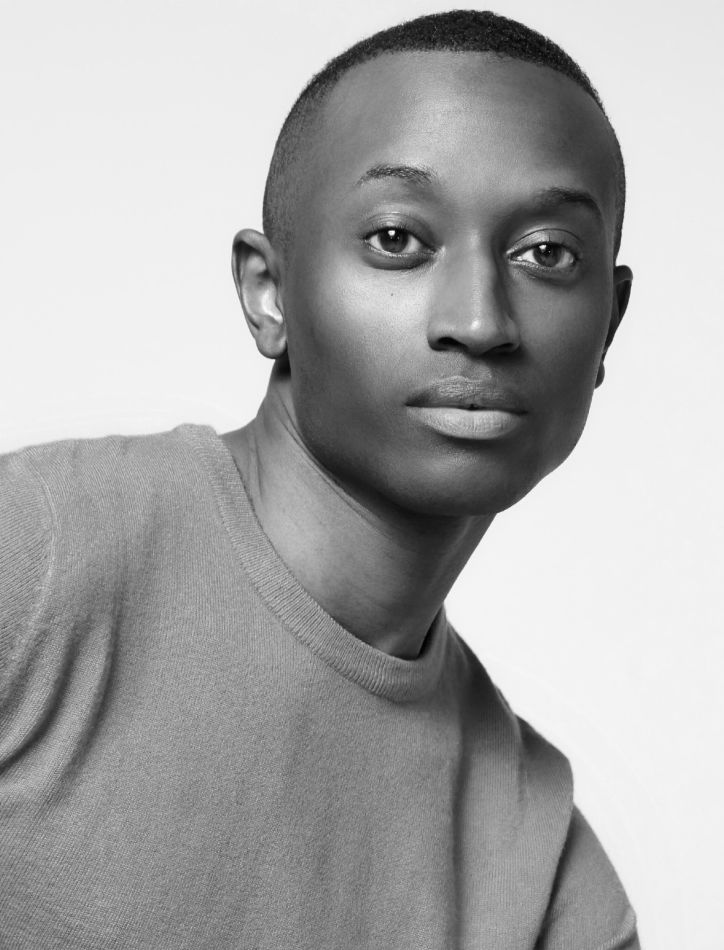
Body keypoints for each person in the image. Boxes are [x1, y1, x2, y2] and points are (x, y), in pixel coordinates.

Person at [0, 9, 638, 949]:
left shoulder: (543, 875)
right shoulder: (35, 559)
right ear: (269, 293)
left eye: (547, 253)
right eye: (398, 239)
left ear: (608, 327)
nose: (479, 322)